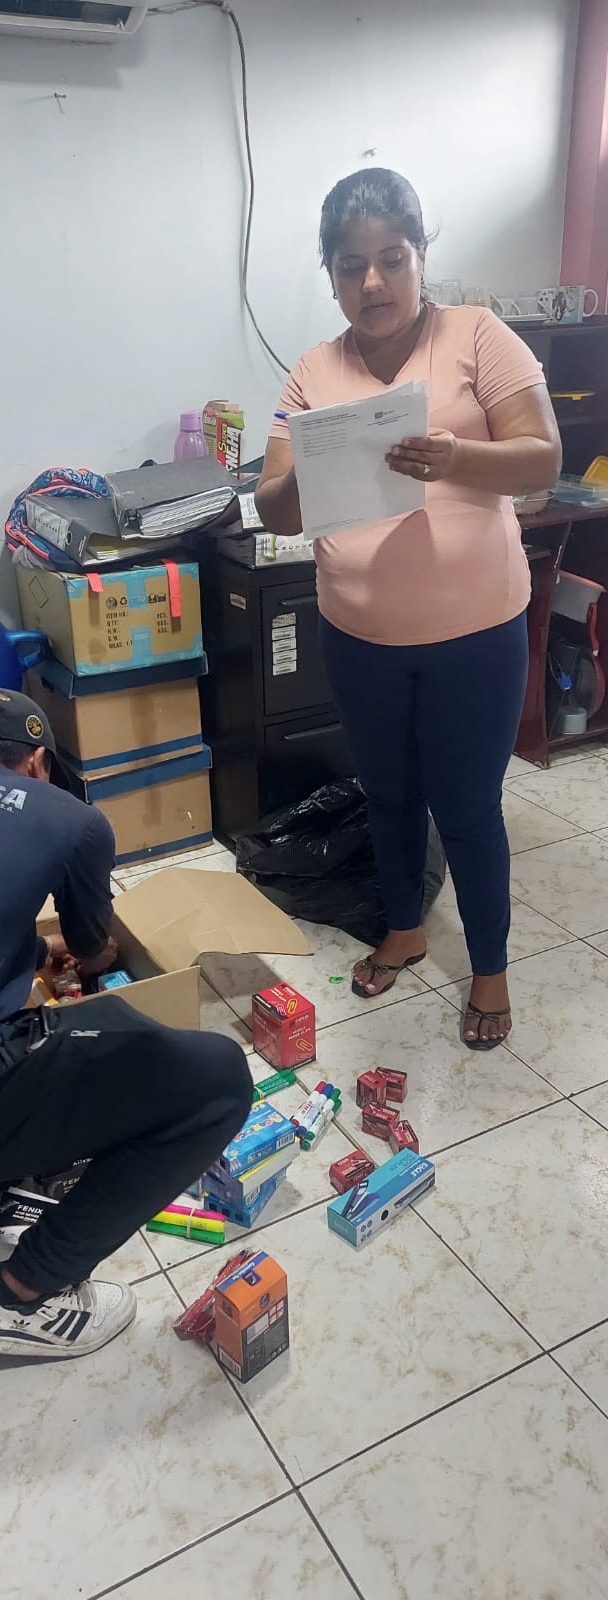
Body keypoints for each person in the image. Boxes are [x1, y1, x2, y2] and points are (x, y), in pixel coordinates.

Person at [256, 168, 562, 1050]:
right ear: (330, 273)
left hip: (475, 635)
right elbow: (274, 507)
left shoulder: (477, 336)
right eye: (350, 266)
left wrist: (453, 457)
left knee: (465, 807)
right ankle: (402, 927)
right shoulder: (314, 370)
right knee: (388, 795)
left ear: (421, 255)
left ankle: (489, 967)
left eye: (391, 259)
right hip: (359, 636)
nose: (373, 282)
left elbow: (541, 457)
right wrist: (316, 468)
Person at [0, 688, 252, 1357]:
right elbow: (91, 947)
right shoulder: (69, 816)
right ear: (37, 763)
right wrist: (90, 955)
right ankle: (20, 1295)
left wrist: (29, 954)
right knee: (216, 1079)